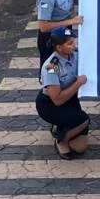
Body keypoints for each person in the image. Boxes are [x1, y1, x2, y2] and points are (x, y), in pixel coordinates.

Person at [37, 27, 90, 159]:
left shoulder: (75, 55)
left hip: (70, 100)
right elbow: (57, 100)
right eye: (70, 43)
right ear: (59, 48)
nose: (74, 46)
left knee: (80, 147)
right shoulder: (51, 66)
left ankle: (61, 127)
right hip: (50, 105)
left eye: (74, 42)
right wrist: (78, 83)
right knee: (83, 120)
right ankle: (61, 140)